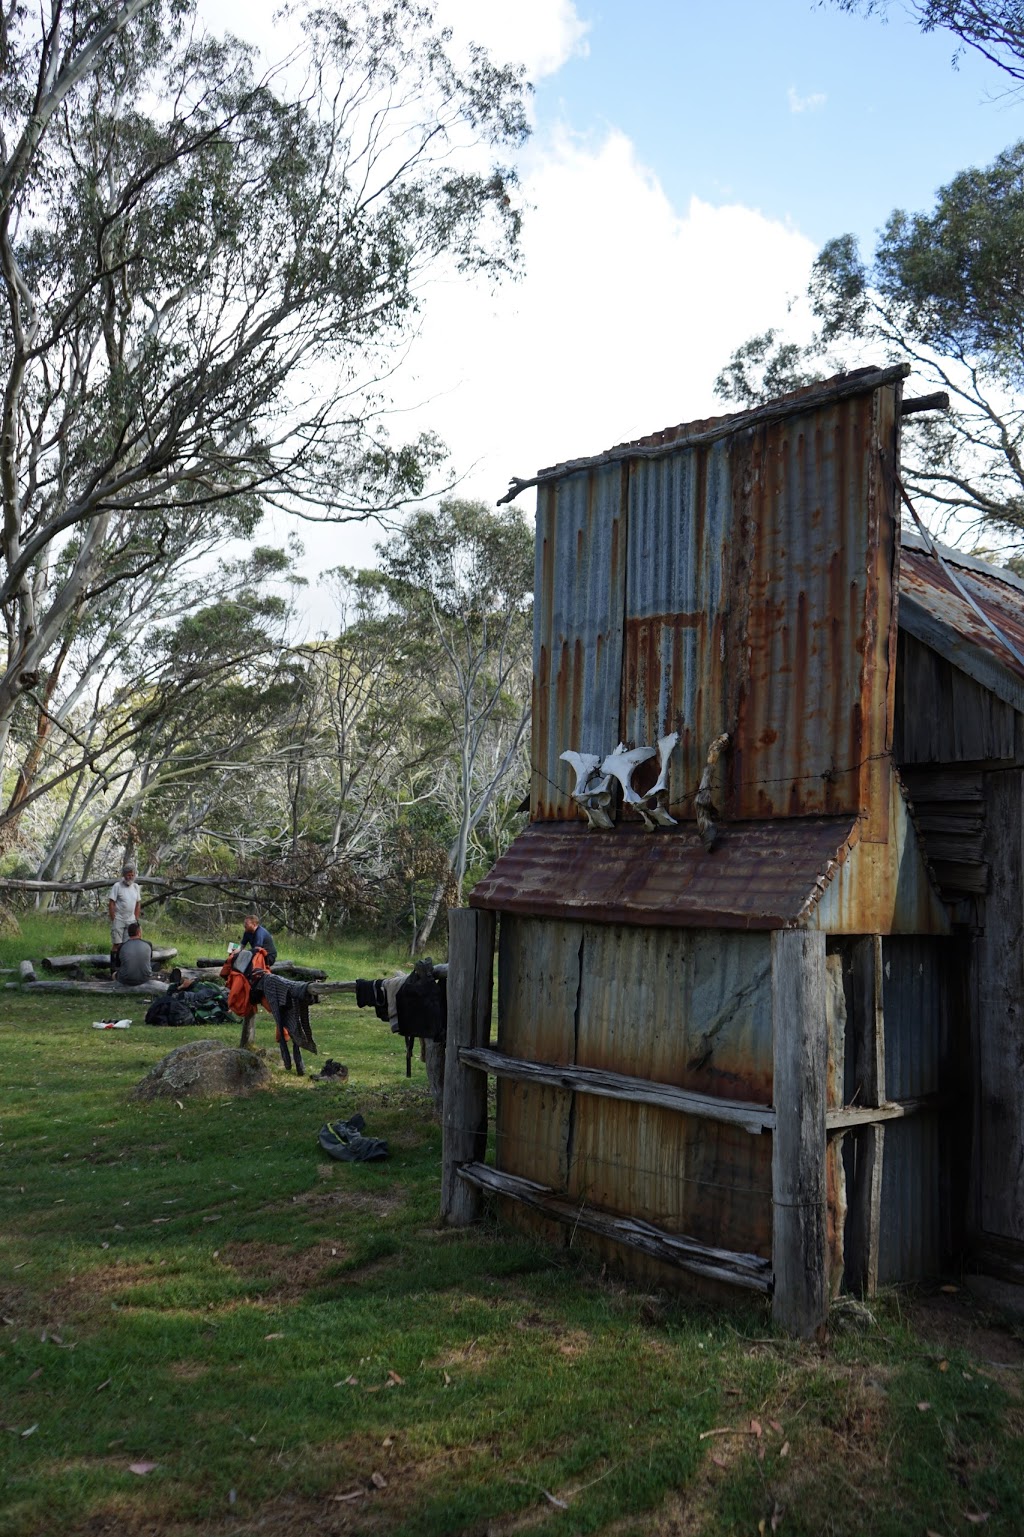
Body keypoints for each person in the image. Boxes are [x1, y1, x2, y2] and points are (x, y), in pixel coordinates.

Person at [108, 862, 142, 974]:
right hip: (119, 919)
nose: (130, 877)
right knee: (117, 944)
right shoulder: (117, 886)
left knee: (129, 945)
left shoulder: (136, 887)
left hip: (131, 920)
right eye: (128, 875)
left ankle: (125, 968)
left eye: (132, 875)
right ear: (124, 875)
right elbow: (111, 903)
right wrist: (114, 918)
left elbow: (138, 903)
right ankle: (114, 969)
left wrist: (136, 919)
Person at [115, 921, 153, 986]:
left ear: (129, 933)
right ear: (139, 933)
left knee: (114, 974)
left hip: (125, 980)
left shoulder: (122, 946)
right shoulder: (148, 944)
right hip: (145, 979)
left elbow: (118, 964)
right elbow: (149, 959)